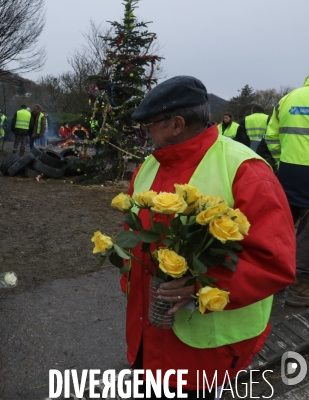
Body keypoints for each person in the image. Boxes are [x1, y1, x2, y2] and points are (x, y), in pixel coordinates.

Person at [122, 75, 295, 397]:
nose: (146, 135)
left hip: (205, 348)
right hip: (147, 333)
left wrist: (200, 286)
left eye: (150, 127)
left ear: (176, 124)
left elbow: (274, 262)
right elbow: (133, 231)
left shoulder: (247, 171)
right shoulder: (148, 166)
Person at [265, 75, 309, 307]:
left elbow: (271, 136)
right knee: (307, 234)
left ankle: (274, 280)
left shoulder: (288, 98)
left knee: (281, 227)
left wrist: (282, 162)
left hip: (289, 172)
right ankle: (300, 292)